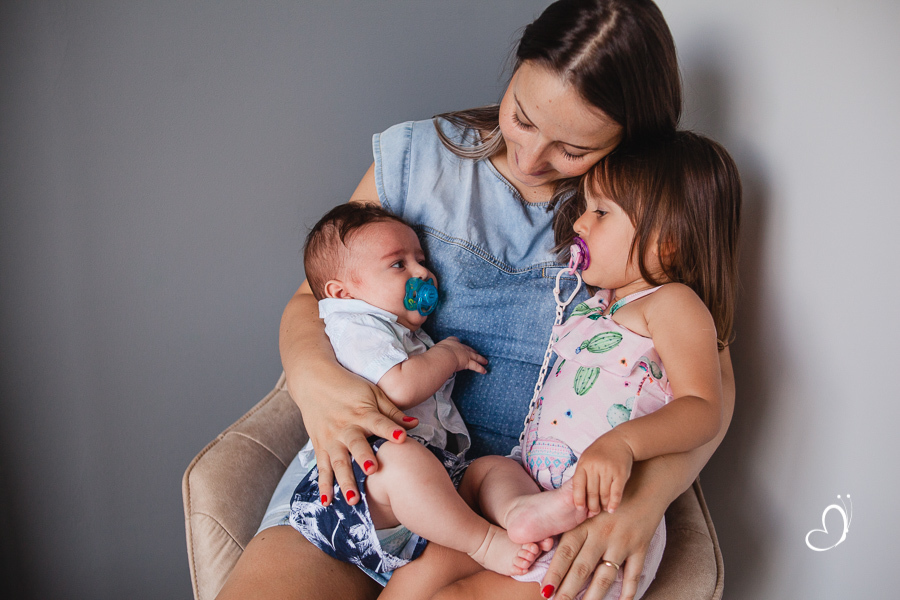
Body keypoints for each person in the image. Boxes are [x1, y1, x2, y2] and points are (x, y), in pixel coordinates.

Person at [216, 2, 736, 599]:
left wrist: (645, 499)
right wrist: (313, 381)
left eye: (572, 149)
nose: (533, 158)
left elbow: (710, 388)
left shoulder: (627, 220)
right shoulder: (418, 160)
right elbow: (315, 299)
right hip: (376, 482)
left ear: (629, 138)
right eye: (523, 116)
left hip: (514, 506)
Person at [430, 130, 741, 600]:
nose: (579, 224)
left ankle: (538, 516)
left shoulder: (674, 305)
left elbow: (703, 407)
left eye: (601, 212)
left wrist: (624, 444)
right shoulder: (597, 302)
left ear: (668, 242)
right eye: (585, 208)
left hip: (593, 519)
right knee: (478, 480)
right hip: (533, 485)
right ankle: (522, 513)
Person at [287, 202, 548, 582]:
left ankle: (521, 514)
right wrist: (448, 355)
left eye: (420, 260)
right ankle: (485, 542)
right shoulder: (354, 325)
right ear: (341, 292)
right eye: (399, 264)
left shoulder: (400, 331)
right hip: (357, 490)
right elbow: (401, 386)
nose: (422, 273)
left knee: (495, 469)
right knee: (405, 463)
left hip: (426, 485)